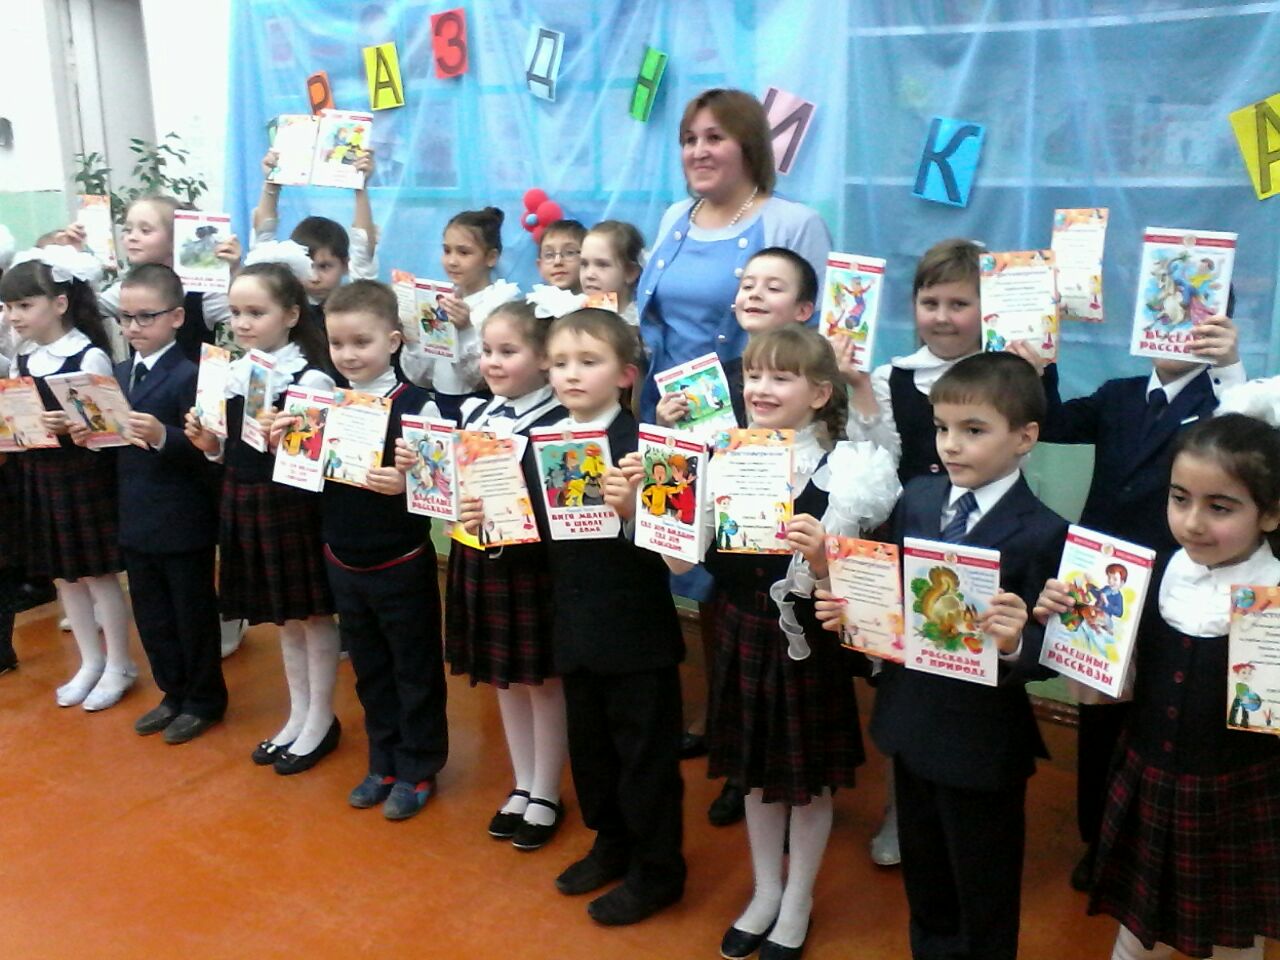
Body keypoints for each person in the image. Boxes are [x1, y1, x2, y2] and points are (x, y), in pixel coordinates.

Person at [634, 325, 896, 958]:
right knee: (754, 774)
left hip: (808, 640)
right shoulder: (718, 455)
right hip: (739, 628)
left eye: (781, 377)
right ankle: (765, 891)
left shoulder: (848, 470)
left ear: (820, 393)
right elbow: (679, 563)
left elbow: (862, 590)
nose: (760, 388)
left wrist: (824, 558)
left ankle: (798, 899)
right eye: (753, 375)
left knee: (806, 780)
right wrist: (661, 502)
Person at [821, 351, 1069, 960]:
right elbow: (891, 592)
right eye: (941, 428)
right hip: (911, 721)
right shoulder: (920, 497)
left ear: (1024, 438)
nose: (952, 445)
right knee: (926, 872)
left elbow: (1055, 650)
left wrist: (1015, 642)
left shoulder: (1046, 531)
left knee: (983, 882)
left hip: (983, 741)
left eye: (974, 430)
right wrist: (850, 604)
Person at [1034, 414, 1280, 960]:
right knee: (1136, 933)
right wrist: (1071, 628)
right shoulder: (1150, 576)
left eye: (1220, 507)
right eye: (1179, 498)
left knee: (1235, 940)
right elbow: (1109, 692)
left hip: (1239, 797)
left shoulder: (1274, 595)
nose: (1192, 522)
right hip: (1150, 781)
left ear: (1270, 513)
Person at [1030, 310, 1244, 890]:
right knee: (1099, 719)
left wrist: (1230, 366)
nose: (1174, 325)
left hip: (1179, 588)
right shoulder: (1120, 394)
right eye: (1160, 307)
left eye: (1195, 314)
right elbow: (1052, 423)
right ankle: (1098, 842)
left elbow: (1248, 448)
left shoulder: (1225, 402)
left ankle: (1158, 847)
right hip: (1102, 587)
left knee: (1162, 721)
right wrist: (1041, 366)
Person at [528, 308, 685, 925]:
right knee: (591, 751)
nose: (571, 374)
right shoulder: (542, 442)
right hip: (573, 623)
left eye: (588, 362)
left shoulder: (649, 449)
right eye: (561, 362)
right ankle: (611, 842)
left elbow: (676, 553)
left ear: (625, 375)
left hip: (638, 634)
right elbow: (534, 530)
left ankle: (658, 869)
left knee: (645, 758)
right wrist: (490, 513)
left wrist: (633, 514)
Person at [273, 279, 447, 819]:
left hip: (401, 561)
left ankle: (419, 767)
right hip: (342, 558)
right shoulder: (321, 404)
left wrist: (407, 486)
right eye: (338, 343)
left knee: (414, 669)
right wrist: (286, 444)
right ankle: (383, 761)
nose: (348, 354)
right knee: (369, 670)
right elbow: (302, 480)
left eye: (361, 342)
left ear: (393, 341)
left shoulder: (420, 406)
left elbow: (441, 492)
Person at [403, 299, 568, 848]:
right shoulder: (474, 414)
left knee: (541, 682)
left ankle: (547, 790)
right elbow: (447, 488)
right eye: (488, 351)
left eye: (508, 351)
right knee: (504, 678)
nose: (493, 362)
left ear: (543, 358)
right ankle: (523, 782)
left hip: (530, 568)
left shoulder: (559, 424)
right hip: (477, 558)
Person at [183, 256, 341, 774]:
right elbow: (227, 450)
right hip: (244, 498)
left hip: (291, 505)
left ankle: (321, 717)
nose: (243, 323)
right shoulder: (233, 373)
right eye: (236, 313)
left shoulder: (311, 378)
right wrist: (208, 444)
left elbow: (318, 462)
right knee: (284, 618)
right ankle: (298, 715)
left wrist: (284, 441)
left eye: (257, 312)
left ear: (291, 315)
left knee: (310, 615)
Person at [70, 264, 225, 743]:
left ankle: (203, 700)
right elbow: (114, 445)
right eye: (125, 317)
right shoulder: (118, 374)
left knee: (192, 614)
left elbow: (209, 452)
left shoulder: (192, 375)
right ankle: (172, 692)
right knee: (153, 615)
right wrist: (89, 436)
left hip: (183, 518)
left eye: (146, 317)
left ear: (177, 317)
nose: (133, 327)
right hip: (135, 515)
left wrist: (165, 436)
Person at [637, 87, 831, 424]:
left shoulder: (794, 223)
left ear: (748, 145)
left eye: (714, 138)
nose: (699, 152)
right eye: (689, 140)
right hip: (667, 413)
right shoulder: (674, 216)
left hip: (754, 418)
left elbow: (818, 337)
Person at [0, 248, 137, 711]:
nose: (14, 316)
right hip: (40, 475)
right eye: (8, 307)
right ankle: (90, 661)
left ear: (59, 304)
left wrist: (74, 426)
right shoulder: (23, 357)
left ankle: (119, 663)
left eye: (24, 305)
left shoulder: (87, 355)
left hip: (82, 477)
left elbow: (109, 430)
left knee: (98, 575)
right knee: (65, 577)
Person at [400, 207, 521, 423]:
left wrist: (466, 330)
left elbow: (482, 378)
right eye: (447, 251)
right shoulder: (439, 299)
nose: (452, 261)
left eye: (464, 252)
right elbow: (420, 377)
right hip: (439, 402)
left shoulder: (501, 303)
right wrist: (413, 338)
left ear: (491, 257)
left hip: (481, 405)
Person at [252, 147, 379, 330]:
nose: (314, 278)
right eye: (307, 266)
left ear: (345, 265)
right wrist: (271, 181)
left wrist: (361, 185)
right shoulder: (280, 304)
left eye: (324, 266)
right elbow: (262, 241)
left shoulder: (355, 305)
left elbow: (363, 249)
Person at [579, 220, 645, 328]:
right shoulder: (575, 314)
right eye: (584, 264)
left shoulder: (639, 326)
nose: (589, 274)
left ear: (630, 272)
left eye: (602, 265)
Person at [535, 219, 586, 291]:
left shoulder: (600, 297)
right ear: (539, 265)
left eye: (569, 252)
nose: (557, 261)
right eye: (549, 255)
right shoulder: (532, 298)